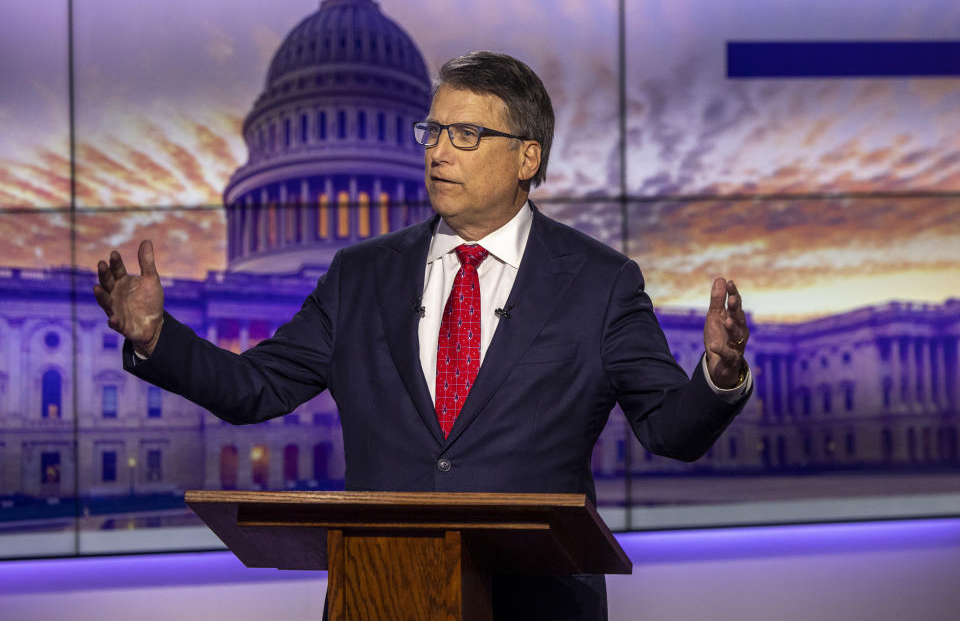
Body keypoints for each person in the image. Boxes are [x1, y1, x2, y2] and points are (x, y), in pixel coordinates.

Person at [93, 51, 752, 621]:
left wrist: (719, 375)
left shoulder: (600, 281)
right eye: (432, 130)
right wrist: (156, 336)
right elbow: (253, 389)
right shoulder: (360, 275)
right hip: (380, 593)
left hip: (540, 605)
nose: (437, 151)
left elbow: (671, 429)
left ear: (528, 156)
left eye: (465, 134)